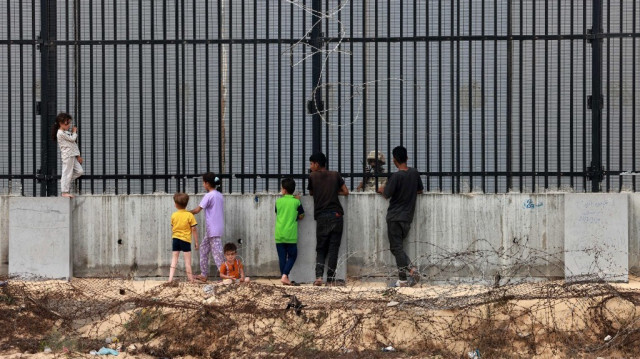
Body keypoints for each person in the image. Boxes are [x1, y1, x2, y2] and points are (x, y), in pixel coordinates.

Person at [378, 146, 424, 287]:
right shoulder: (414, 173)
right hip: (407, 217)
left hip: (394, 217)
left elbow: (386, 194)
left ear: (394, 160)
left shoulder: (396, 176)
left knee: (396, 248)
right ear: (407, 158)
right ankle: (409, 271)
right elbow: (420, 190)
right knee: (396, 247)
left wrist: (381, 189)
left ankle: (405, 277)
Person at [307, 152, 349, 286]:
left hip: (322, 216)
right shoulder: (335, 175)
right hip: (336, 215)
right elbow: (346, 192)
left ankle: (319, 277)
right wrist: (334, 192)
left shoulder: (313, 177)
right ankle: (330, 279)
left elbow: (312, 193)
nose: (310, 166)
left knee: (321, 248)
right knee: (333, 249)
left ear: (317, 164)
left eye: (311, 164)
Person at [190, 173, 225, 282]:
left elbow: (197, 210)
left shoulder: (209, 196)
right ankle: (204, 274)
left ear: (207, 183)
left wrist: (185, 213)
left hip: (213, 229)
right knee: (204, 249)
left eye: (203, 182)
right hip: (214, 228)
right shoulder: (219, 195)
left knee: (218, 254)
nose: (203, 184)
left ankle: (225, 276)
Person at [275, 178, 305, 285]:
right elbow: (301, 215)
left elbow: (277, 213)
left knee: (282, 257)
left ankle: (284, 278)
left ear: (284, 190)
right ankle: (285, 275)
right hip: (291, 235)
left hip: (279, 234)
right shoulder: (296, 202)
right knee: (292, 256)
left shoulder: (278, 202)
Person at [51, 112, 83, 198]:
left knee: (79, 171)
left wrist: (78, 155)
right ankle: (64, 191)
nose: (69, 125)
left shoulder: (66, 132)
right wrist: (75, 132)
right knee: (67, 172)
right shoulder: (60, 133)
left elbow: (73, 145)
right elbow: (73, 139)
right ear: (61, 123)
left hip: (72, 155)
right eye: (67, 123)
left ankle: (64, 181)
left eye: (69, 123)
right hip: (67, 156)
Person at [169, 192, 199, 282]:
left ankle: (170, 279)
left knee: (174, 259)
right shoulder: (189, 215)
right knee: (187, 262)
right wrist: (196, 242)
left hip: (175, 239)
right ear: (186, 204)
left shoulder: (174, 215)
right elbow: (194, 229)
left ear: (176, 204)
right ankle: (190, 279)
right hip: (185, 240)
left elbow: (172, 227)